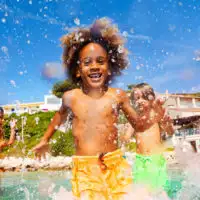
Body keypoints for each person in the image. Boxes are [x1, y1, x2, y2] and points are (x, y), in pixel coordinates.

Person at [33, 18, 165, 199]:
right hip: (86, 167)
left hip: (116, 164)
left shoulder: (118, 95)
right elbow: (59, 117)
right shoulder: (71, 97)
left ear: (109, 68)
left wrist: (154, 116)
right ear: (78, 70)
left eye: (100, 61)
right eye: (87, 62)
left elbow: (138, 125)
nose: (94, 66)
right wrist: (45, 139)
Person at [121, 83, 174, 194]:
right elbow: (125, 138)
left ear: (151, 99)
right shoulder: (135, 120)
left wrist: (167, 124)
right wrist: (123, 132)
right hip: (140, 162)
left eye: (143, 98)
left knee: (159, 191)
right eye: (136, 99)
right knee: (141, 192)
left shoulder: (156, 114)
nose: (139, 101)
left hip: (155, 160)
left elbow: (170, 132)